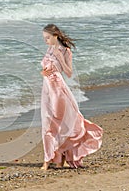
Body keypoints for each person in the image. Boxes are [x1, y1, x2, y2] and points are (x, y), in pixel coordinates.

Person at [40, 24, 103, 170]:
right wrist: (43, 72)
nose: (46, 41)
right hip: (47, 89)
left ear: (56, 36)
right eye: (44, 38)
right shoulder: (49, 48)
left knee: (62, 122)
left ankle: (62, 156)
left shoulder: (65, 51)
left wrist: (60, 58)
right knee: (47, 122)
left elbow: (68, 73)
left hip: (58, 89)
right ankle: (48, 159)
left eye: (47, 38)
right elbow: (47, 67)